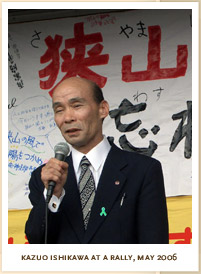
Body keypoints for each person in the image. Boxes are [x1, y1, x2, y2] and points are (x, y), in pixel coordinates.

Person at [25, 77, 169, 244]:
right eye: (59, 110)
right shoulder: (44, 178)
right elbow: (36, 241)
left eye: (77, 106)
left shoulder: (142, 170)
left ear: (103, 109)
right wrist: (54, 196)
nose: (68, 117)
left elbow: (154, 248)